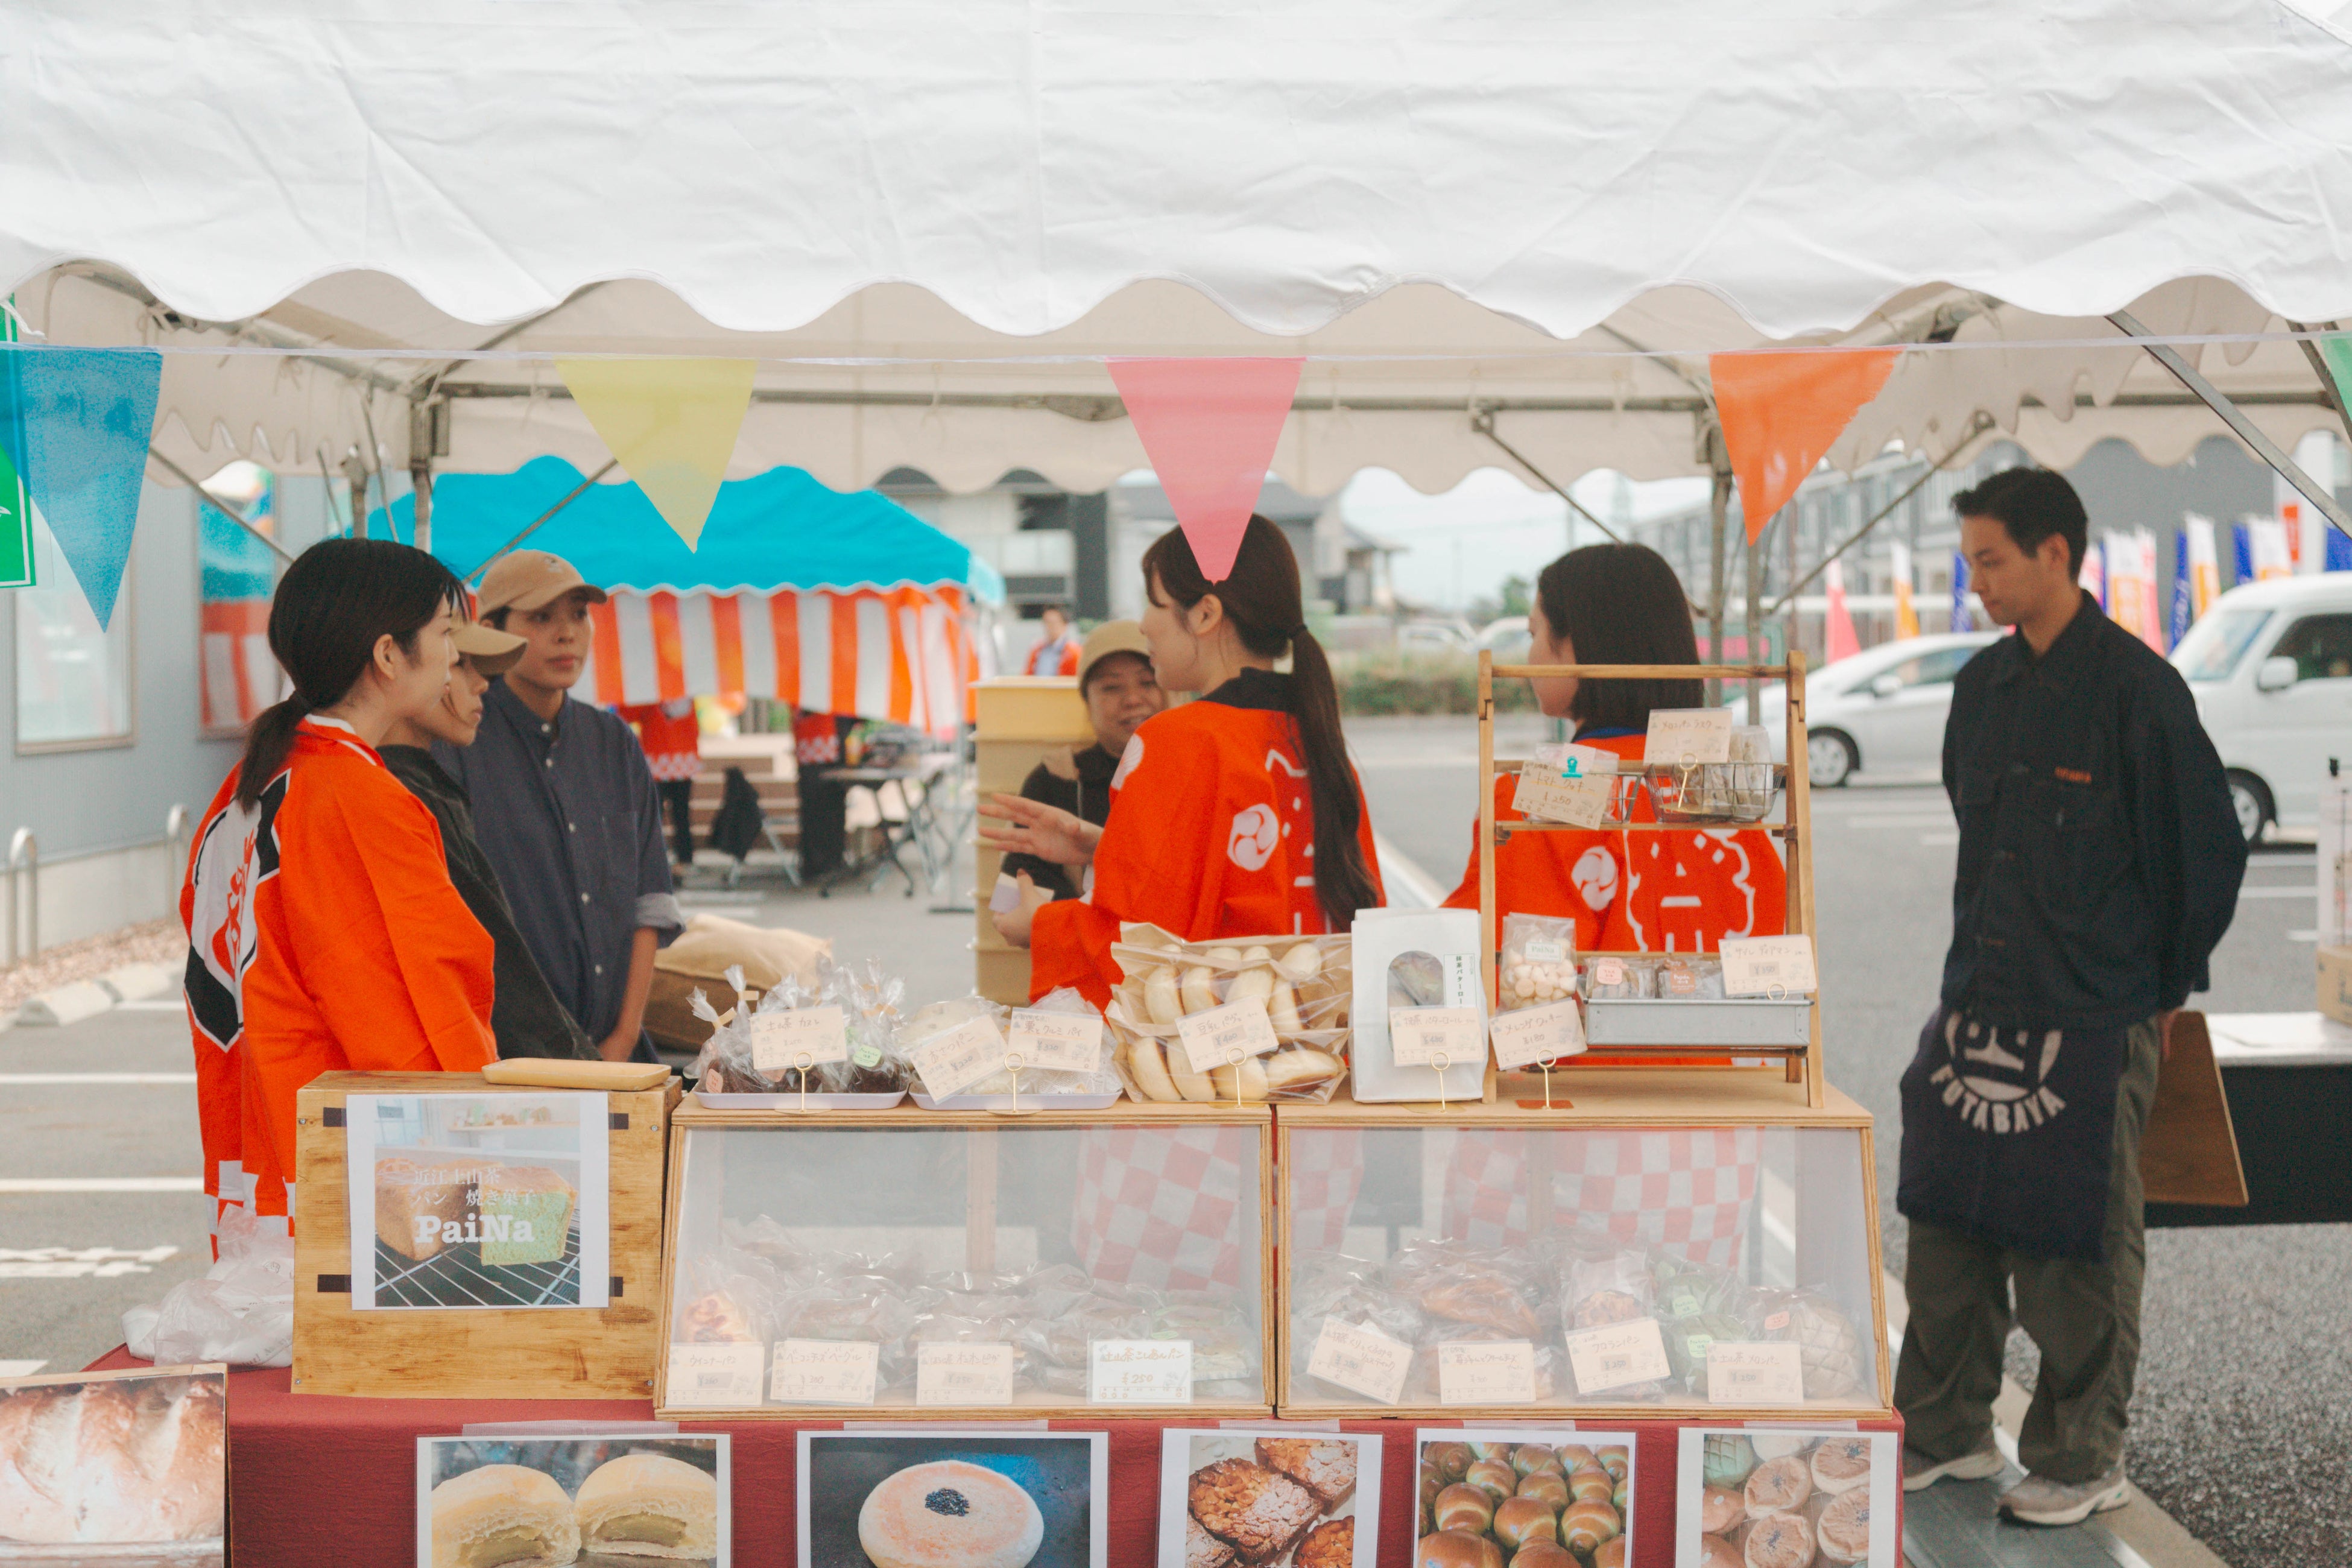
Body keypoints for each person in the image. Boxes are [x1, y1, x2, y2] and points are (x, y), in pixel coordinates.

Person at [1895, 467, 2244, 1526]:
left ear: (2056, 553)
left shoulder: (2140, 691)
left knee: (2075, 1249)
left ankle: (2083, 1457)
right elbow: (1973, 823)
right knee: (1946, 1223)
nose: (1978, 584)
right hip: (1978, 998)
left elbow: (2204, 856)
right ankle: (1947, 1430)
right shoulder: (1981, 687)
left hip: (2092, 1013)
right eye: (1970, 564)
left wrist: (2163, 989)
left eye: (1992, 561)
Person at [181, 539, 496, 1239]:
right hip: (353, 1182)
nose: (453, 657)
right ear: (388, 655)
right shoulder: (355, 797)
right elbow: (412, 1007)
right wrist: (477, 1152)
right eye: (445, 634)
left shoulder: (245, 786)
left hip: (258, 1142)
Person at [982, 516, 1383, 1006]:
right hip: (1319, 1027)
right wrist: (1105, 847)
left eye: (1153, 603)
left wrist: (1040, 926)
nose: (1144, 623)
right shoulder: (1317, 740)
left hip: (1220, 1039)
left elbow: (1137, 945)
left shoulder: (1175, 741)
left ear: (1205, 614)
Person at [1441, 543, 1786, 956]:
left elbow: (1509, 965)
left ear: (1577, 646)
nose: (1530, 656)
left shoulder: (1531, 795)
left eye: (1535, 634)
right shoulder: (1729, 793)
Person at [440, 551, 683, 1063]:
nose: (567, 634)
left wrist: (622, 1038)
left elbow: (650, 902)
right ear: (492, 632)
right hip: (510, 1060)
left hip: (619, 1054)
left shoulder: (614, 742)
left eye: (578, 614)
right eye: (541, 617)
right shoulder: (460, 744)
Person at [379, 616, 596, 1061]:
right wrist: (584, 1069)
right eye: (459, 663)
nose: (481, 685)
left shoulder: (421, 784)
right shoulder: (400, 796)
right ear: (390, 661)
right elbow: (499, 971)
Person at [994, 620, 1163, 905]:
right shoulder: (1055, 779)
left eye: (1148, 682)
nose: (1133, 699)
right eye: (1112, 687)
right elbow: (1010, 905)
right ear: (1087, 701)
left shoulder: (1198, 774)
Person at [618, 698, 703, 873]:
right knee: (671, 814)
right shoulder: (677, 691)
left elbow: (627, 714)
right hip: (674, 759)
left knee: (662, 815)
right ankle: (676, 859)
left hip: (665, 759)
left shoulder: (653, 694)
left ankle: (664, 860)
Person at [1022, 604, 1081, 676]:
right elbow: (1027, 675)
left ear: (1065, 625)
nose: (1050, 627)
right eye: (1047, 623)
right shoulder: (1037, 650)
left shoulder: (1074, 652)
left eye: (1054, 623)